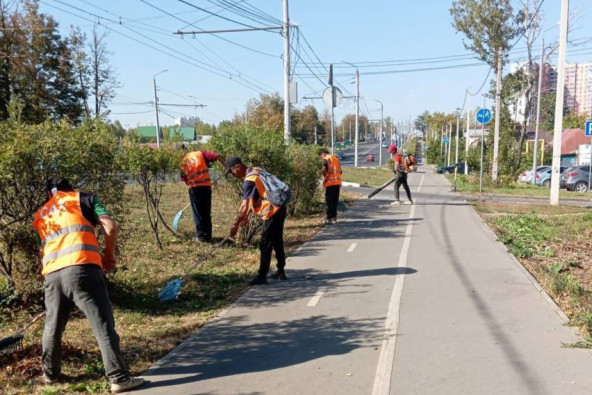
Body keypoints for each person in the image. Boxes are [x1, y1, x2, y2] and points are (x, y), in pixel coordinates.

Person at [33, 176, 144, 393]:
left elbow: (41, 251)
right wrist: (108, 255)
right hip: (83, 268)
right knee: (102, 324)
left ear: (49, 194)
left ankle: (50, 376)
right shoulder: (85, 198)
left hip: (52, 275)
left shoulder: (40, 214)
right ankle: (119, 378)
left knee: (52, 327)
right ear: (70, 188)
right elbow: (110, 227)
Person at [225, 157, 287, 285]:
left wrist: (234, 226)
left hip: (271, 211)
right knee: (277, 240)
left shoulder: (249, 180)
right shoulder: (256, 170)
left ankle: (262, 276)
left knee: (265, 243)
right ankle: (281, 271)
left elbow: (244, 206)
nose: (231, 174)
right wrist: (246, 216)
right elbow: (254, 198)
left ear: (238, 167)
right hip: (281, 207)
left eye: (231, 171)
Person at [180, 148, 225, 242]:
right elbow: (217, 156)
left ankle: (201, 237)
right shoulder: (200, 154)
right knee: (206, 213)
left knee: (198, 213)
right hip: (206, 187)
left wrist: (191, 186)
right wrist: (228, 166)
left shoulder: (183, 161)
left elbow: (184, 178)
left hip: (195, 188)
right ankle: (207, 236)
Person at [318, 148, 342, 224]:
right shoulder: (336, 159)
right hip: (337, 182)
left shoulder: (326, 159)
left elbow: (323, 169)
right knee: (335, 201)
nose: (321, 158)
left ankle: (329, 218)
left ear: (323, 154)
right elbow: (340, 171)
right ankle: (334, 217)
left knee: (329, 201)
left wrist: (325, 176)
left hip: (330, 183)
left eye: (320, 156)